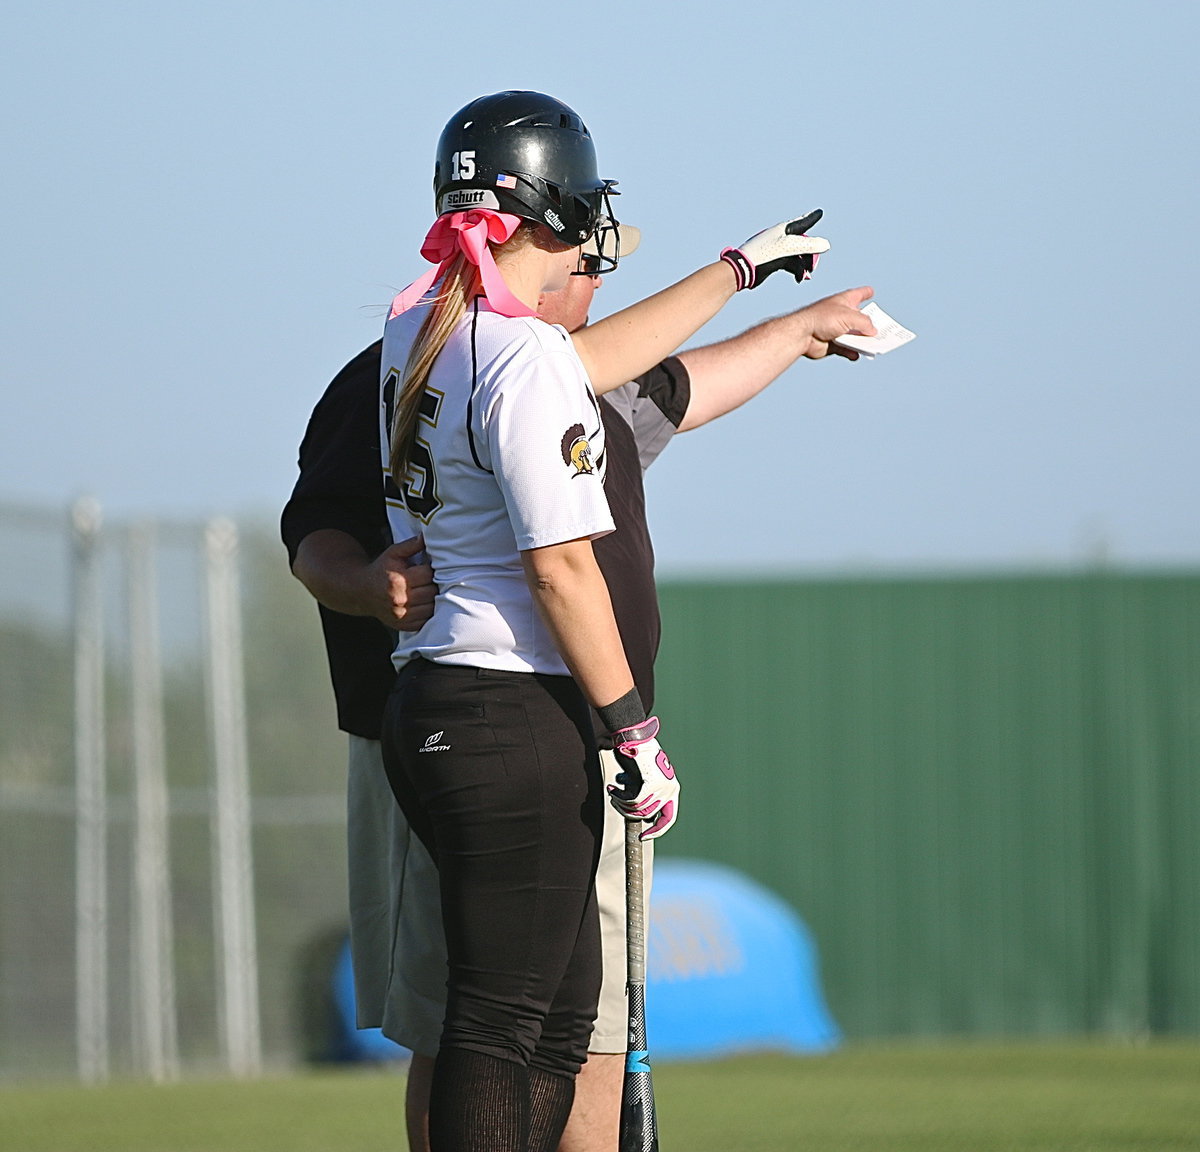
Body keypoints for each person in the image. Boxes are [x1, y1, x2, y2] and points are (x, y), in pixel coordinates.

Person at [295, 89, 874, 1152]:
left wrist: (760, 290)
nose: (598, 266)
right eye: (587, 238)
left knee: (553, 1022)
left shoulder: (425, 328)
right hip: (506, 709)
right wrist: (634, 730)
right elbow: (561, 567)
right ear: (551, 213)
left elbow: (642, 370)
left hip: (457, 705)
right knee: (507, 1020)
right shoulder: (517, 358)